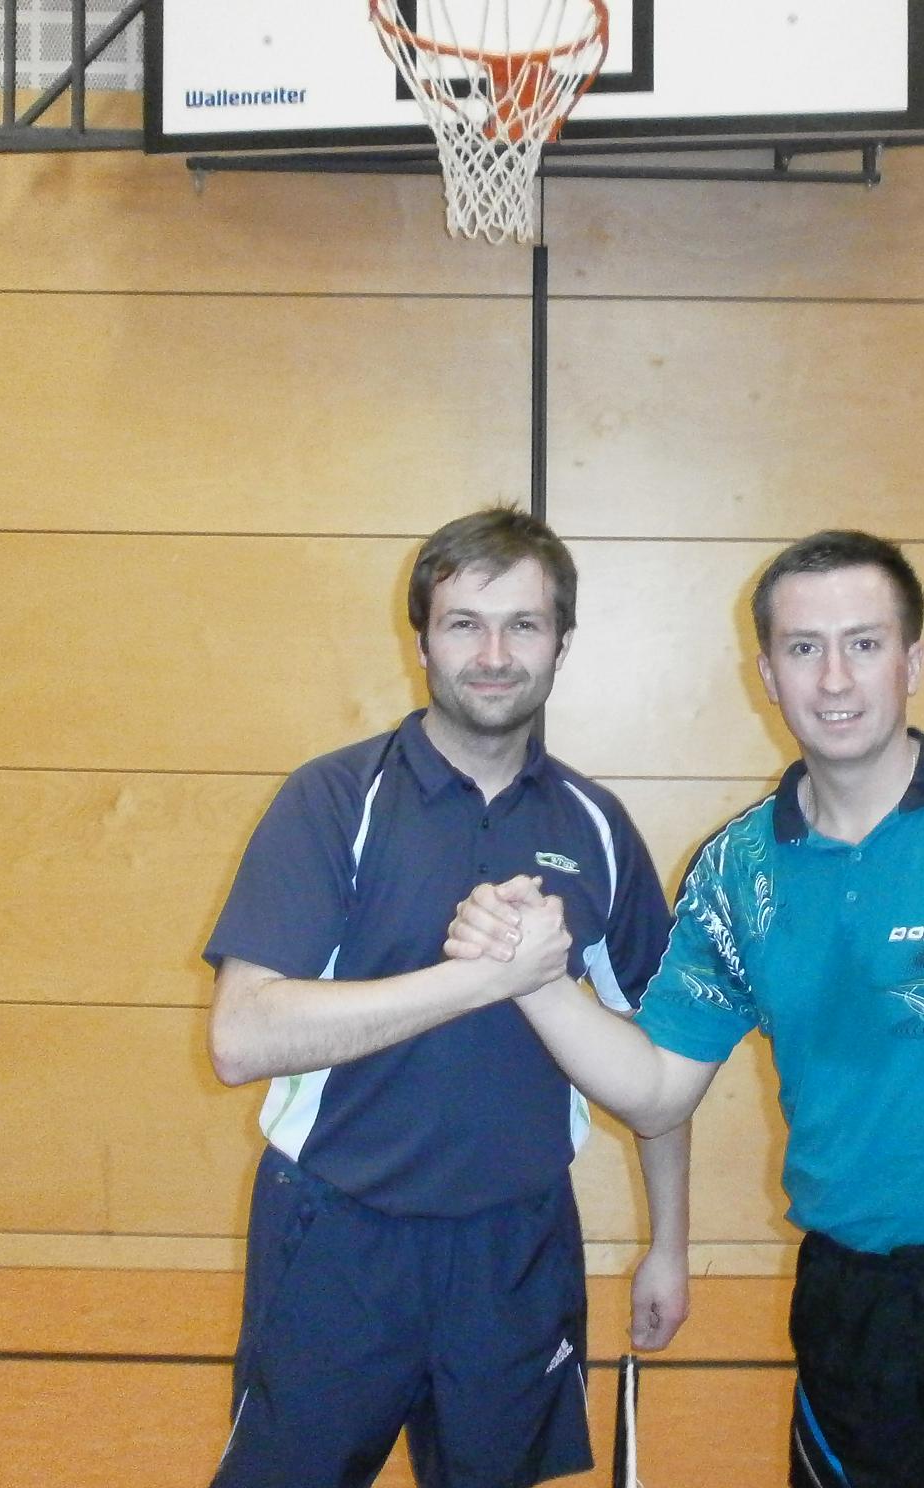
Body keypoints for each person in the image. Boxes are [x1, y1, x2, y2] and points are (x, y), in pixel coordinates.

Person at [448, 529, 924, 1488]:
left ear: (913, 661)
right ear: (767, 674)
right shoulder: (735, 869)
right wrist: (536, 981)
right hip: (846, 1302)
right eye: (804, 648)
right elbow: (658, 1089)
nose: (835, 679)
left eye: (864, 644)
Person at [204, 507, 691, 1488]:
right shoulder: (334, 800)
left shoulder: (596, 826)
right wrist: (480, 981)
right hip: (335, 1235)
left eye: (524, 625)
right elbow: (241, 1037)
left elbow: (662, 1058)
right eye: (465, 624)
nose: (495, 655)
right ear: (421, 641)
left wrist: (669, 1245)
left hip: (518, 1247)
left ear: (562, 644)